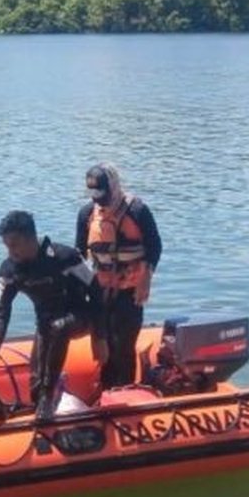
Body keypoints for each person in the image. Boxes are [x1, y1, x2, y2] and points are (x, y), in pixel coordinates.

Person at [0, 211, 103, 421]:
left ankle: (48, 399)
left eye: (14, 245)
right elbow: (1, 313)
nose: (10, 251)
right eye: (7, 246)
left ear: (30, 239)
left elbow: (97, 292)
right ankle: (45, 404)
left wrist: (100, 337)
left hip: (82, 315)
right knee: (37, 384)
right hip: (46, 323)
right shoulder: (9, 270)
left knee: (59, 327)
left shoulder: (65, 257)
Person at [75, 164, 163, 390]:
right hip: (101, 291)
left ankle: (124, 389)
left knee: (123, 345)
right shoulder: (86, 214)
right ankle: (106, 389)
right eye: (94, 195)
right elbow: (78, 254)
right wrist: (82, 290)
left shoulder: (137, 210)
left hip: (130, 290)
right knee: (103, 344)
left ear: (113, 186)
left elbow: (155, 246)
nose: (99, 200)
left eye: (102, 194)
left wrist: (147, 277)